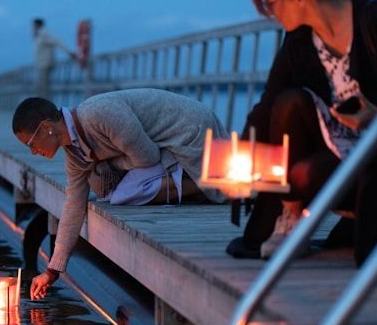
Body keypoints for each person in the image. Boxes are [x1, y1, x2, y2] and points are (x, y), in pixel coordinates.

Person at [12, 88, 227, 300]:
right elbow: (74, 205)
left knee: (124, 193)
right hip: (165, 145)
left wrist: (109, 163)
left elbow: (148, 158)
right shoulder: (75, 154)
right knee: (108, 192)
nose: (33, 152)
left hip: (192, 133)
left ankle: (203, 186)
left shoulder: (100, 114)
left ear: (46, 128)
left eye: (31, 144)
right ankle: (195, 183)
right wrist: (53, 270)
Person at [226, 0, 377, 266]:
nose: (270, 14)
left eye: (271, 4)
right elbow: (268, 104)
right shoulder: (300, 39)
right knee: (289, 103)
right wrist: (240, 162)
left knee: (309, 175)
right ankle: (291, 222)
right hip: (343, 153)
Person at [32, 18, 75, 99]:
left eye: (34, 25)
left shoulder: (44, 33)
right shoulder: (39, 34)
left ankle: (44, 106)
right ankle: (43, 105)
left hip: (45, 63)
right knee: (42, 86)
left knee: (44, 87)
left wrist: (69, 52)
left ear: (37, 25)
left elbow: (57, 42)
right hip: (41, 64)